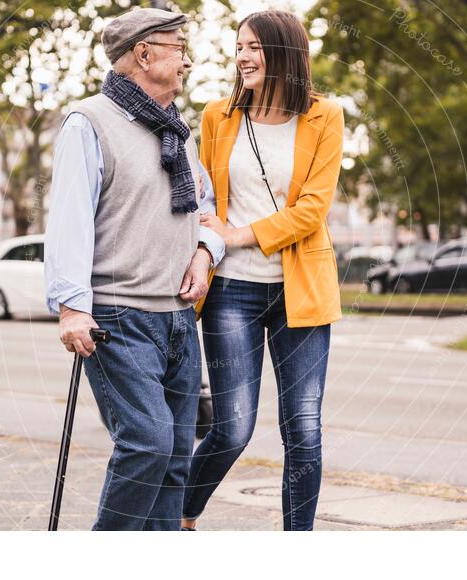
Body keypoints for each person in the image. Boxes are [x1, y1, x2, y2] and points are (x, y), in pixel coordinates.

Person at [44, 7, 225, 531]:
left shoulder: (177, 133)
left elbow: (207, 211)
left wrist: (204, 251)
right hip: (118, 318)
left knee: (174, 459)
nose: (188, 61)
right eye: (178, 48)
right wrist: (71, 309)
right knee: (147, 442)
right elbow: (70, 220)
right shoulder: (90, 121)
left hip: (177, 320)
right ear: (144, 55)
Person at [182, 10, 344, 531]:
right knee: (231, 427)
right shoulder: (217, 117)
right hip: (232, 291)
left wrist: (237, 234)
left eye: (254, 47)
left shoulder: (325, 116)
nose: (243, 56)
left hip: (302, 293)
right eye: (239, 47)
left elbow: (312, 210)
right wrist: (210, 247)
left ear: (285, 54)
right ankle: (179, 515)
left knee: (304, 428)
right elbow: (204, 202)